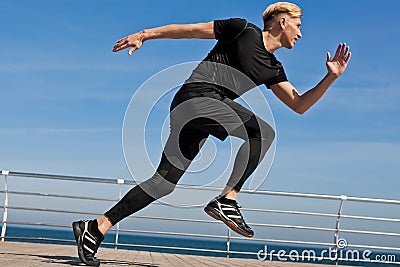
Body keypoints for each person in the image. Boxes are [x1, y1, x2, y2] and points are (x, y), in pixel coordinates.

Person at [72, 2, 351, 266]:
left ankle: (95, 228)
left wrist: (331, 77)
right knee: (261, 133)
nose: (300, 34)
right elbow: (189, 30)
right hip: (195, 99)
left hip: (202, 114)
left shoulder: (273, 68)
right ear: (282, 22)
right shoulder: (243, 29)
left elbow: (299, 104)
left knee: (163, 183)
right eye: (298, 25)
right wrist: (144, 35)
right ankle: (227, 200)